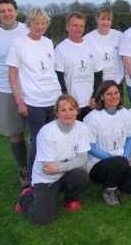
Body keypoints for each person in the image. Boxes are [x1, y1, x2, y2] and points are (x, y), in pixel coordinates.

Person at [14, 95, 90, 225]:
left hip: (63, 172)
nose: (68, 113)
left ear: (77, 111)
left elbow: (83, 158)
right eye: (63, 110)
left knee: (81, 175)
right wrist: (71, 163)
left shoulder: (82, 128)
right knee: (42, 219)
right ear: (56, 113)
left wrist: (60, 167)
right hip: (45, 179)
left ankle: (69, 199)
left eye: (71, 109)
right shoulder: (47, 132)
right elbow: (48, 169)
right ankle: (25, 198)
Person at [7, 7, 62, 182]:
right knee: (38, 142)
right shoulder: (19, 43)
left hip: (53, 99)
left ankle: (52, 176)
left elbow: (50, 70)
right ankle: (32, 180)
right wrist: (20, 102)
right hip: (34, 101)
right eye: (36, 22)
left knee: (54, 140)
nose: (40, 26)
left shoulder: (47, 42)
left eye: (43, 23)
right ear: (29, 23)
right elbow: (12, 75)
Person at [0, 0, 29, 186]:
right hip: (5, 91)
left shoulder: (27, 30)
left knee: (39, 131)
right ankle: (24, 170)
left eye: (10, 10)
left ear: (16, 11)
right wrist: (7, 83)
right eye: (2, 11)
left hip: (32, 88)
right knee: (15, 133)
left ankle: (41, 167)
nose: (7, 14)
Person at [83, 80, 131, 206]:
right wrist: (115, 158)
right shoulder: (92, 118)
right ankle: (109, 190)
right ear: (101, 96)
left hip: (122, 160)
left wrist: (126, 157)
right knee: (119, 163)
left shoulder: (125, 113)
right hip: (98, 164)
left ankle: (115, 180)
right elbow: (90, 147)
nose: (114, 96)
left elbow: (129, 138)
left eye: (116, 93)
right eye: (109, 94)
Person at [54, 12, 103, 120]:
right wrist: (66, 99)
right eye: (75, 25)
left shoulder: (92, 47)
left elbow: (98, 74)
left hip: (90, 103)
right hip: (71, 105)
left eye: (81, 26)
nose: (78, 29)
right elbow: (58, 77)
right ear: (67, 27)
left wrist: (95, 97)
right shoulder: (61, 49)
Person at [84, 7, 124, 89]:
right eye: (102, 19)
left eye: (108, 19)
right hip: (97, 83)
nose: (106, 22)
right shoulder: (87, 38)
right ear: (96, 19)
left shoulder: (120, 36)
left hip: (117, 82)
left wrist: (121, 78)